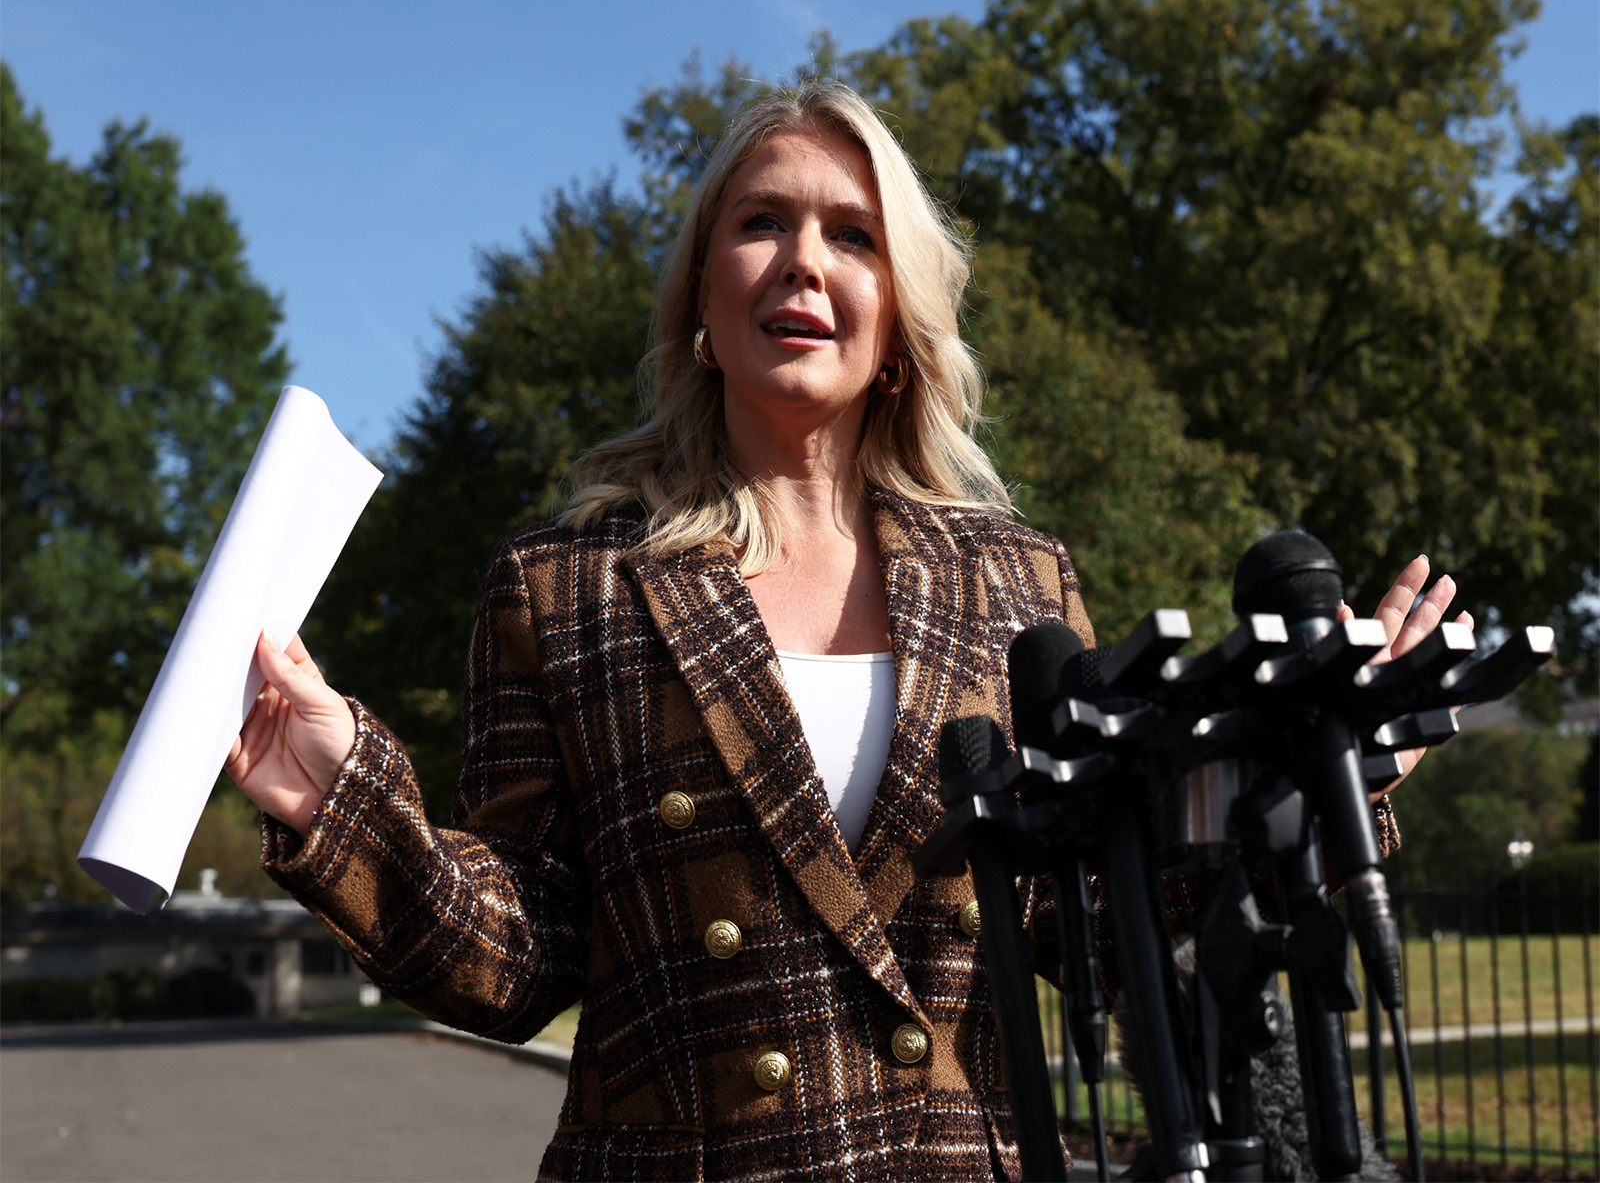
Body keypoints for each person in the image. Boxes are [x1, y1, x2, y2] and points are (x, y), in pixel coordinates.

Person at [227, 80, 1468, 1182]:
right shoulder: (564, 589)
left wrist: (1319, 776)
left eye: (852, 235)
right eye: (761, 222)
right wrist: (343, 803)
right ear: (702, 299)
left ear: (897, 321)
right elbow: (522, 956)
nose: (802, 261)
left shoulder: (1018, 584)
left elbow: (1087, 926)